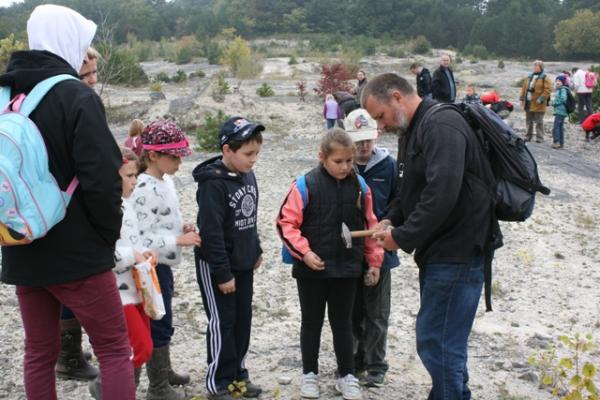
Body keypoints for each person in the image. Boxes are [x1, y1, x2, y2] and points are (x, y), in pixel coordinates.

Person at [0, 4, 135, 400]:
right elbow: (102, 180)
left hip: (21, 242)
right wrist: (106, 237)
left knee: (39, 353)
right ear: (66, 41)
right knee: (114, 349)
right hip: (77, 252)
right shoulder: (76, 95)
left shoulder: (7, 94)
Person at [361, 73, 498, 400]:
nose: (380, 127)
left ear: (397, 97)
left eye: (380, 116)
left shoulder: (441, 125)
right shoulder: (413, 129)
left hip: (459, 253)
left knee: (437, 341)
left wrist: (403, 237)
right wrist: (391, 218)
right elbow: (409, 189)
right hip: (440, 254)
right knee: (444, 341)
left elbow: (442, 192)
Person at [277, 129, 384, 400]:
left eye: (349, 161)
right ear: (322, 157)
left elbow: (370, 226)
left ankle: (346, 375)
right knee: (311, 323)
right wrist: (305, 253)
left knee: (344, 324)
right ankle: (309, 374)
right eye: (339, 161)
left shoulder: (361, 186)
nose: (345, 167)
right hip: (312, 269)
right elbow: (286, 224)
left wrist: (374, 262)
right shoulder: (304, 184)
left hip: (347, 268)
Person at [193, 116, 265, 400]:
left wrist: (255, 248)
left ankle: (238, 374)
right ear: (227, 150)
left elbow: (250, 216)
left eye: (257, 153)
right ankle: (218, 382)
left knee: (242, 319)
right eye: (248, 154)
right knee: (222, 321)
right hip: (217, 265)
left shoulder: (247, 174)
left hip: (244, 262)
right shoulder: (213, 185)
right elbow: (211, 233)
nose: (253, 160)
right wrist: (222, 273)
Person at [131, 120, 201, 400]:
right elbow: (142, 237)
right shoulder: (143, 188)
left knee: (164, 316)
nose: (179, 162)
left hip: (163, 266)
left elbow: (162, 221)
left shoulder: (166, 180)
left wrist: (180, 228)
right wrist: (177, 241)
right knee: (156, 319)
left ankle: (163, 370)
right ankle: (157, 386)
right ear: (153, 156)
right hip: (150, 267)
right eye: (173, 156)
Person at [54, 45, 105, 383]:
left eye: (93, 74)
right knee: (72, 290)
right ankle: (69, 355)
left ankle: (68, 350)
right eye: (84, 75)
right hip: (69, 217)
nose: (91, 81)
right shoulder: (70, 104)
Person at [89, 147, 156, 398]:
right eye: (128, 175)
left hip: (138, 287)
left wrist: (145, 252)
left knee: (141, 346)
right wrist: (133, 256)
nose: (135, 180)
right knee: (140, 348)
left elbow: (133, 241)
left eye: (135, 175)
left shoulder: (127, 204)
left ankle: (118, 389)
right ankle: (106, 387)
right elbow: (102, 256)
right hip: (117, 294)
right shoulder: (104, 210)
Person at [343, 109, 399, 388]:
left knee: (377, 313)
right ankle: (354, 360)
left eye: (368, 139)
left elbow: (400, 204)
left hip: (381, 251)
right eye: (358, 141)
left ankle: (377, 365)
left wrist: (391, 225)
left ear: (376, 135)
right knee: (352, 310)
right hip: (349, 251)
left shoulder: (390, 166)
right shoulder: (341, 165)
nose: (364, 146)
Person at [519, 60, 552, 143]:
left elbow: (548, 90)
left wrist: (541, 98)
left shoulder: (545, 78)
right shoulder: (529, 77)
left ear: (541, 67)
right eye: (534, 66)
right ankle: (528, 136)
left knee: (539, 121)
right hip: (528, 102)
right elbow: (524, 88)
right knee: (528, 120)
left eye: (536, 66)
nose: (534, 67)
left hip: (539, 103)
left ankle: (539, 138)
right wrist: (521, 98)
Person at [551, 75, 569, 149]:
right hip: (561, 111)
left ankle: (556, 142)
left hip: (560, 111)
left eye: (559, 81)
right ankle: (561, 144)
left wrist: (554, 103)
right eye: (557, 81)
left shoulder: (563, 89)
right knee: (560, 127)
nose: (557, 82)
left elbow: (563, 99)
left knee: (556, 127)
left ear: (563, 82)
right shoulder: (561, 89)